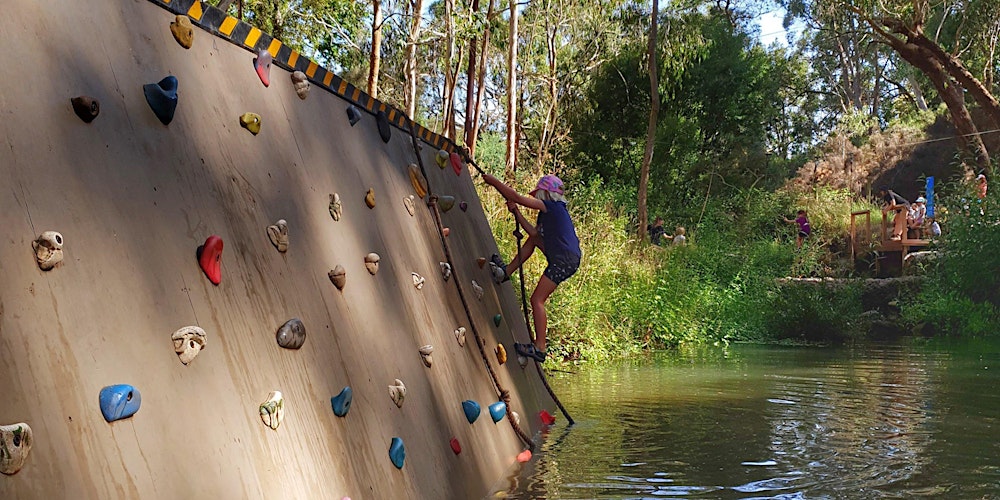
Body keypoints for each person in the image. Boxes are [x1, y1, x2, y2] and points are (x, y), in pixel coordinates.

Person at [482, 173, 582, 363]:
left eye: (538, 194)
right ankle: (506, 272)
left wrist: (493, 181)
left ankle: (540, 347)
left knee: (537, 299)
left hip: (564, 259)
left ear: (546, 193)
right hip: (564, 257)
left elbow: (518, 197)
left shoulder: (552, 207)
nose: (536, 197)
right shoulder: (548, 215)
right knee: (534, 239)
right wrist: (516, 212)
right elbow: (534, 234)